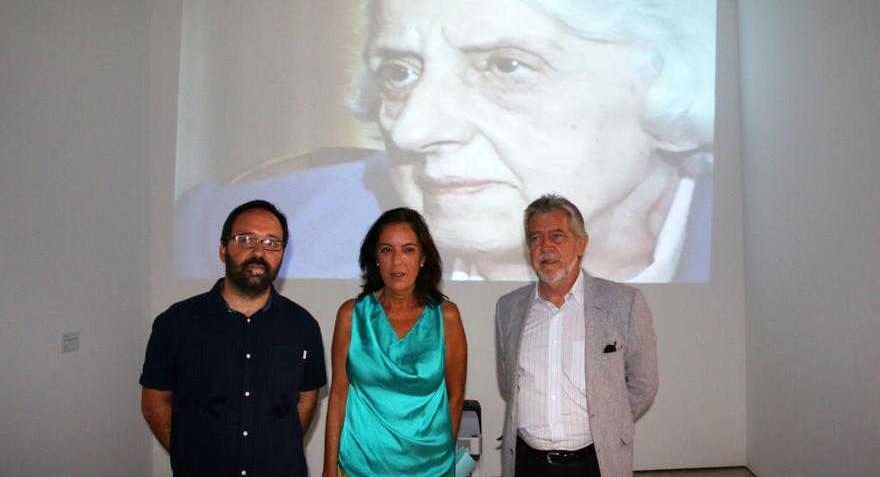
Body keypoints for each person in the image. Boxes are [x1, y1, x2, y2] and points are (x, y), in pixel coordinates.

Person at [174, 0, 715, 283]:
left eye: (506, 65)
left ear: (677, 82)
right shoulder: (216, 236)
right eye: (399, 72)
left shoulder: (777, 258)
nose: (410, 130)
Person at [140, 200, 326, 476]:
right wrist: (190, 453)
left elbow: (306, 401)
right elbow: (155, 402)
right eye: (247, 239)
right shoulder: (176, 323)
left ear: (282, 255)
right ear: (223, 249)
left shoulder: (303, 327)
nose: (259, 252)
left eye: (272, 243)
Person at [495, 194, 658, 476]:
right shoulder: (508, 308)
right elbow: (508, 381)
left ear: (581, 243)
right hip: (527, 463)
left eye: (557, 235)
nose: (546, 246)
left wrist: (609, 424)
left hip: (595, 463)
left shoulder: (624, 303)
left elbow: (643, 384)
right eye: (535, 238)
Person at [323, 208, 467, 477]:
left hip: (430, 469)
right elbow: (339, 395)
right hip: (358, 467)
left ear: (423, 257)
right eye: (387, 250)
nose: (396, 261)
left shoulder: (446, 317)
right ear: (375, 257)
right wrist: (329, 469)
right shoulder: (351, 315)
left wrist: (443, 454)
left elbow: (455, 394)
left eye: (408, 250)